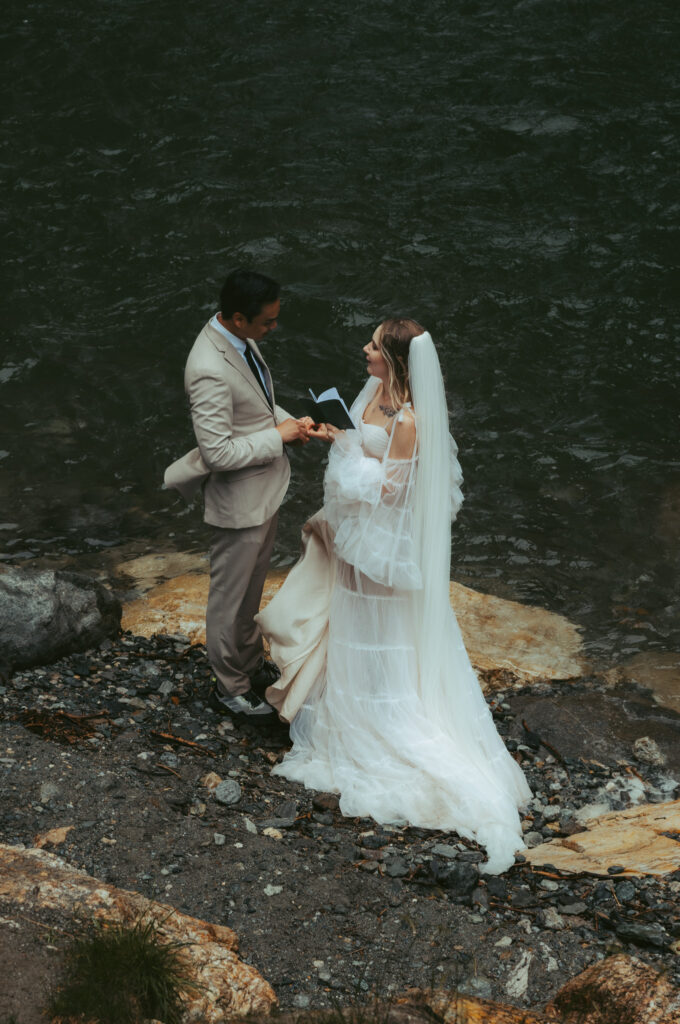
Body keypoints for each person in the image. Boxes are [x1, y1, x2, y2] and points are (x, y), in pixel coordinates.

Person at [256, 317, 532, 873]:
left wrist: (346, 453)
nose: (364, 350)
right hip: (358, 531)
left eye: (374, 347)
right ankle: (348, 712)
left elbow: (392, 489)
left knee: (381, 632)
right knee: (352, 627)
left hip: (382, 541)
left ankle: (384, 724)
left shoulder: (409, 419)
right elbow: (367, 451)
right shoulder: (373, 393)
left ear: (397, 362)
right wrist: (343, 435)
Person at [164, 269, 315, 725]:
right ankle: (228, 688)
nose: (273, 329)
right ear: (235, 318)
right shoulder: (207, 369)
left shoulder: (239, 339)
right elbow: (218, 451)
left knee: (251, 590)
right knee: (229, 599)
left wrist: (294, 423)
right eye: (267, 322)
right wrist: (279, 436)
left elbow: (259, 408)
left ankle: (247, 663)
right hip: (238, 501)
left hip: (262, 492)